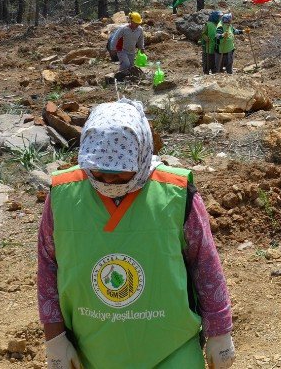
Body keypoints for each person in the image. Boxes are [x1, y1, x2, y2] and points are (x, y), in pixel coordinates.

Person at [37, 100, 236, 368]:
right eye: (98, 171)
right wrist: (55, 338)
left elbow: (205, 263)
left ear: (142, 153)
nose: (108, 181)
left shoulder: (175, 193)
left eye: (120, 173)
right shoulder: (63, 195)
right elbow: (48, 265)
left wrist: (220, 330)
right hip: (93, 352)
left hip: (172, 349)